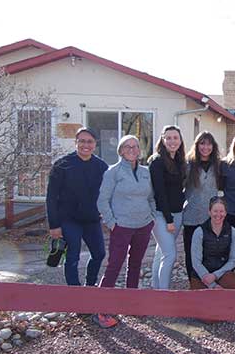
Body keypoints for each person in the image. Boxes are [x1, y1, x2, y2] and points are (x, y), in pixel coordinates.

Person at [94, 135, 156, 328]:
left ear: (139, 150)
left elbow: (152, 197)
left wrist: (151, 216)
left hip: (143, 225)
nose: (132, 149)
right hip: (121, 227)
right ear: (120, 150)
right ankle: (101, 309)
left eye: (135, 146)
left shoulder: (146, 172)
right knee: (115, 265)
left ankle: (132, 304)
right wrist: (112, 223)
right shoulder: (113, 172)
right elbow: (102, 201)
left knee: (135, 264)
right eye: (127, 146)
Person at [46, 127, 108, 287]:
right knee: (73, 256)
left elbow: (108, 194)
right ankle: (74, 291)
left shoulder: (101, 167)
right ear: (76, 142)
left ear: (95, 144)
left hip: (92, 219)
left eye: (90, 142)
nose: (85, 145)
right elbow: (51, 198)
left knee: (99, 253)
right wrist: (54, 225)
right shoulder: (62, 165)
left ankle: (90, 286)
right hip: (68, 219)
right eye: (81, 141)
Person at [149, 125, 187, 290]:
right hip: (161, 215)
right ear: (163, 140)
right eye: (168, 138)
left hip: (177, 214)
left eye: (175, 138)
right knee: (170, 255)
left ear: (180, 140)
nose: (172, 141)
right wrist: (169, 219)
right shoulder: (157, 162)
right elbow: (160, 193)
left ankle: (156, 289)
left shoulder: (179, 161)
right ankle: (164, 294)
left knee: (161, 253)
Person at [182, 131, 222, 280]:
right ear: (197, 145)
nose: (206, 147)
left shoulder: (218, 165)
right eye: (202, 143)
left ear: (213, 146)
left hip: (211, 218)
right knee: (191, 252)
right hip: (191, 216)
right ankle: (193, 281)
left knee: (209, 251)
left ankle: (208, 281)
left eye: (209, 143)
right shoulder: (188, 165)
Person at [190, 196, 235, 290]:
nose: (218, 214)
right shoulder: (199, 232)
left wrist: (215, 275)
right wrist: (212, 285)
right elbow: (196, 262)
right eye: (215, 211)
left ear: (225, 213)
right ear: (209, 212)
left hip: (222, 272)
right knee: (200, 297)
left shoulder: (232, 231)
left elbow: (234, 259)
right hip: (202, 275)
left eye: (221, 211)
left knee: (234, 286)